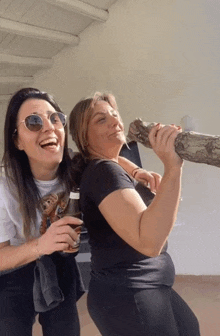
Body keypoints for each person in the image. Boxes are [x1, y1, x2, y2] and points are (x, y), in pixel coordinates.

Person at [0, 87, 160, 336]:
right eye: (34, 122)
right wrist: (41, 245)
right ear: (17, 139)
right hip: (16, 268)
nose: (49, 127)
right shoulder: (4, 187)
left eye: (56, 118)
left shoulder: (75, 165)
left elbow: (104, 158)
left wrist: (137, 173)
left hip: (59, 264)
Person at [69, 92, 201, 336]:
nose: (115, 123)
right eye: (101, 120)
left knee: (189, 329)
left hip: (147, 286)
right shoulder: (104, 172)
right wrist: (172, 167)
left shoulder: (106, 165)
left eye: (114, 115)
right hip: (128, 294)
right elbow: (148, 242)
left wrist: (137, 170)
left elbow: (113, 158)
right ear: (83, 137)